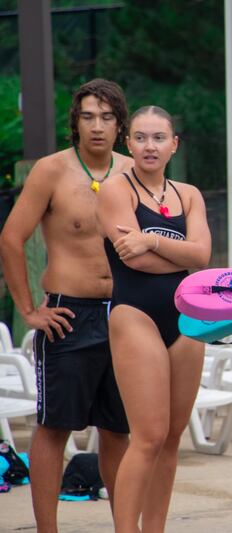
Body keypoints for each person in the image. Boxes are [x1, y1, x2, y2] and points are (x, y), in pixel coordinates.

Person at [0, 78, 132, 532]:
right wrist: (30, 310)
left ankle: (124, 525)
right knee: (54, 427)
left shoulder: (133, 171)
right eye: (88, 116)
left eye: (107, 117)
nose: (97, 126)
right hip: (68, 316)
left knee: (118, 429)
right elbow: (11, 238)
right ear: (75, 122)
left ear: (119, 125)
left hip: (124, 314)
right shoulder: (51, 171)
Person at [96, 105, 211, 532]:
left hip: (185, 319)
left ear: (173, 145)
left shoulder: (189, 195)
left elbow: (202, 256)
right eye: (141, 138)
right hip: (135, 314)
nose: (150, 146)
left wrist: (151, 241)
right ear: (128, 143)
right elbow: (134, 261)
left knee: (172, 438)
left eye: (159, 138)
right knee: (148, 437)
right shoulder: (115, 189)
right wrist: (176, 255)